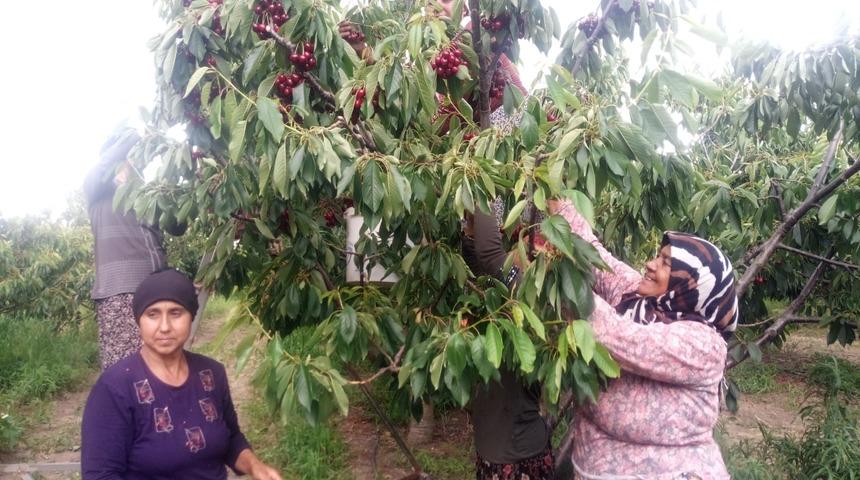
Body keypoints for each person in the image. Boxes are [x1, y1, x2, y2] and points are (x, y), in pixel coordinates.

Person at [551, 199, 735, 479]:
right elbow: (598, 258)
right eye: (656, 256)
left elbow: (614, 334)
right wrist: (555, 200)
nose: (650, 265)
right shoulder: (637, 299)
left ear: (691, 283)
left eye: (666, 263)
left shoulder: (703, 346)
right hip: (594, 465)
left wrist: (559, 275)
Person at [81, 269, 282, 480]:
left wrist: (254, 465)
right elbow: (100, 474)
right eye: (153, 314)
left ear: (191, 317)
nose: (165, 327)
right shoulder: (115, 387)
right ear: (139, 320)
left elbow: (230, 438)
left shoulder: (211, 374)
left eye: (176, 313)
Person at [84, 124, 186, 369]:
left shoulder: (147, 193)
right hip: (120, 294)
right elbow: (113, 154)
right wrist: (137, 135)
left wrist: (175, 179)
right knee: (124, 372)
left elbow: (177, 226)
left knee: (163, 367)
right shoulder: (97, 190)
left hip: (157, 290)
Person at [462, 211, 555, 480]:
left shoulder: (533, 296)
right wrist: (471, 230)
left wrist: (481, 186)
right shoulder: (514, 296)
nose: (515, 252)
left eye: (525, 250)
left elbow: (490, 254)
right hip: (503, 446)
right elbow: (481, 269)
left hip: (515, 455)